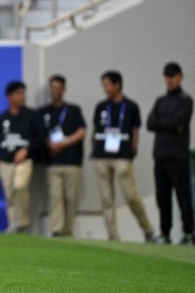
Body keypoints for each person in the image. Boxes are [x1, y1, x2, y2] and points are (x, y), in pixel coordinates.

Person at [92, 71, 154, 242]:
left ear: (117, 85)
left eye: (107, 85)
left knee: (131, 196)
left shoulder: (131, 106)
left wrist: (132, 151)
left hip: (122, 156)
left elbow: (135, 131)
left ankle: (147, 230)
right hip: (102, 157)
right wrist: (95, 148)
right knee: (106, 198)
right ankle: (113, 235)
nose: (105, 89)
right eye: (103, 85)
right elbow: (96, 129)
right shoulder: (101, 107)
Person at [147, 62, 194, 245]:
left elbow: (177, 122)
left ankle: (189, 233)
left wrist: (165, 124)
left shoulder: (186, 100)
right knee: (162, 197)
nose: (169, 80)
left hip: (178, 156)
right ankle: (165, 233)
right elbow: (150, 123)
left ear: (180, 77)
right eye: (167, 76)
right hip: (160, 155)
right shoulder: (160, 101)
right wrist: (171, 125)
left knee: (183, 196)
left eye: (173, 76)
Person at [0, 81, 41, 234]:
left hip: (24, 161)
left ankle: (23, 222)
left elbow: (41, 138)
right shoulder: (2, 118)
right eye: (18, 93)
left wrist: (27, 150)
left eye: (23, 93)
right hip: (5, 162)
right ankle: (13, 225)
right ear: (9, 97)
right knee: (9, 193)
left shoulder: (32, 115)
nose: (22, 97)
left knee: (19, 186)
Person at [39, 75, 86, 237]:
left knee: (71, 197)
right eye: (52, 88)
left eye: (58, 88)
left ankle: (68, 229)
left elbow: (81, 132)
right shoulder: (44, 111)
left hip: (72, 161)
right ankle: (57, 230)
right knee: (55, 197)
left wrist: (64, 143)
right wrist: (49, 145)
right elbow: (39, 134)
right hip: (53, 162)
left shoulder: (74, 110)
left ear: (64, 89)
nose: (55, 91)